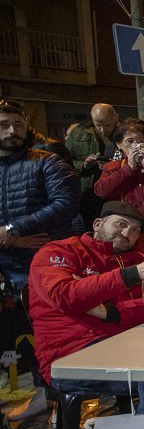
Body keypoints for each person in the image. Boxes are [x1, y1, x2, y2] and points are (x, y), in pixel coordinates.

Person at [27, 201, 144, 413]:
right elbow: (66, 295)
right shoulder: (59, 251)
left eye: (134, 230)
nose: (126, 233)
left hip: (130, 345)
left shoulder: (137, 259)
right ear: (97, 224)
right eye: (120, 224)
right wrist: (133, 275)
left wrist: (111, 313)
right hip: (71, 357)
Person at [0, 99, 80, 290]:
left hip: (48, 262)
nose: (12, 130)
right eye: (4, 125)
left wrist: (12, 228)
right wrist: (8, 239)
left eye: (18, 124)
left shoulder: (47, 162)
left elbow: (66, 203)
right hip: (6, 268)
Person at [65, 102, 119, 225]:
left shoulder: (124, 133)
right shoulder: (78, 132)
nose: (103, 129)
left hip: (114, 191)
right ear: (92, 118)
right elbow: (65, 162)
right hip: (87, 192)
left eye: (108, 125)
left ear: (115, 118)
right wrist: (84, 164)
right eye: (98, 125)